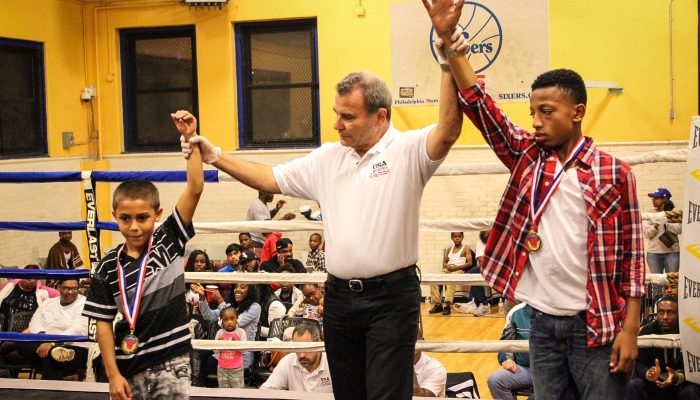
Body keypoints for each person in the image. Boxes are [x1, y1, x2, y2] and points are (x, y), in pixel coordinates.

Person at [179, 30, 463, 397]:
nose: (336, 124)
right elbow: (269, 176)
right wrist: (216, 155)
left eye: (347, 116)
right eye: (336, 114)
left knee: (387, 394)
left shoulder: (407, 151)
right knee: (348, 393)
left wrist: (447, 62)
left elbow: (448, 129)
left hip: (391, 300)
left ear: (379, 117)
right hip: (340, 298)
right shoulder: (328, 158)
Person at [429, 2, 646, 398]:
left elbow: (634, 259)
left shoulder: (616, 173)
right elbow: (481, 106)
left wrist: (631, 329)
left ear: (577, 112)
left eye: (547, 112)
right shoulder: (529, 157)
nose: (535, 121)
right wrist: (450, 40)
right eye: (532, 112)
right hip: (543, 324)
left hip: (596, 323)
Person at [82, 110, 203, 400]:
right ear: (114, 216)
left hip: (173, 361)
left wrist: (190, 140)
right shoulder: (109, 266)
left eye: (142, 217)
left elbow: (196, 187)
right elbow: (103, 323)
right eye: (125, 218)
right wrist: (112, 374)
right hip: (128, 361)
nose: (134, 226)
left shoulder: (169, 237)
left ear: (157, 214)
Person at [11, 279, 89, 380]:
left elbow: (77, 329)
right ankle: (52, 352)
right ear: (59, 287)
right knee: (21, 341)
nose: (70, 292)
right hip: (44, 342)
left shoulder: (85, 304)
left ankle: (47, 393)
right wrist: (43, 338)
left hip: (74, 346)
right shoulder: (48, 302)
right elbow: (35, 321)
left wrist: (52, 343)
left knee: (52, 360)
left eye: (74, 288)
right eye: (66, 288)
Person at [628, 295, 700, 399]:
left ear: (679, 314)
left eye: (670, 312)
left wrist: (677, 377)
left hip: (681, 383)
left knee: (692, 391)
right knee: (634, 385)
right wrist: (648, 373)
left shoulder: (689, 331)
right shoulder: (647, 332)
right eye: (661, 312)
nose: (665, 317)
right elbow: (640, 362)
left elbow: (695, 365)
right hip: (654, 383)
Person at [260, 322, 333, 393]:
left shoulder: (332, 363)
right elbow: (265, 391)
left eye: (306, 349)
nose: (301, 355)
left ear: (318, 344)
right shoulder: (288, 361)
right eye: (297, 349)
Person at [487, 303, 533, 400]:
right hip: (525, 369)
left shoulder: (560, 311)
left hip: (554, 373)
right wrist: (507, 360)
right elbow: (505, 342)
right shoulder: (516, 312)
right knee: (495, 380)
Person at [0, 265, 57, 331]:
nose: (29, 281)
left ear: (37, 279)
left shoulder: (44, 293)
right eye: (26, 277)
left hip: (25, 333)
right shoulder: (9, 286)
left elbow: (58, 296)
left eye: (33, 278)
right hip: (3, 330)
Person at [429, 231, 471, 316]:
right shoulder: (449, 249)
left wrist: (457, 267)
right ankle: (438, 304)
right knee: (433, 279)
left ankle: (447, 305)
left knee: (451, 279)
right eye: (455, 237)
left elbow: (470, 263)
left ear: (462, 237)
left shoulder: (466, 248)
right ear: (452, 238)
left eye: (459, 236)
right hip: (448, 270)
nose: (457, 238)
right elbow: (444, 262)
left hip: (458, 270)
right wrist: (447, 265)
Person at [643, 188, 681, 274]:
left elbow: (679, 229)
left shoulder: (674, 212)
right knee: (656, 284)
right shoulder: (649, 214)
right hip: (653, 253)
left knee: (672, 283)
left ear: (664, 199)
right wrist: (655, 226)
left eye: (656, 198)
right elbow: (646, 234)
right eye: (653, 198)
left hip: (672, 252)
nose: (653, 200)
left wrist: (666, 222)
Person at [215, 307, 247, 388]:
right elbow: (215, 350)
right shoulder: (219, 333)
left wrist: (235, 344)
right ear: (221, 321)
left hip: (237, 369)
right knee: (223, 392)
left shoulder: (241, 332)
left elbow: (244, 349)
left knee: (237, 393)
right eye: (226, 319)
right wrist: (220, 345)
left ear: (237, 319)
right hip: (222, 368)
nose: (229, 322)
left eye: (232, 319)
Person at [413, 324, 447, 397]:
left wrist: (406, 364)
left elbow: (422, 399)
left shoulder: (436, 369)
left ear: (422, 341)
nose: (410, 344)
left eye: (413, 340)